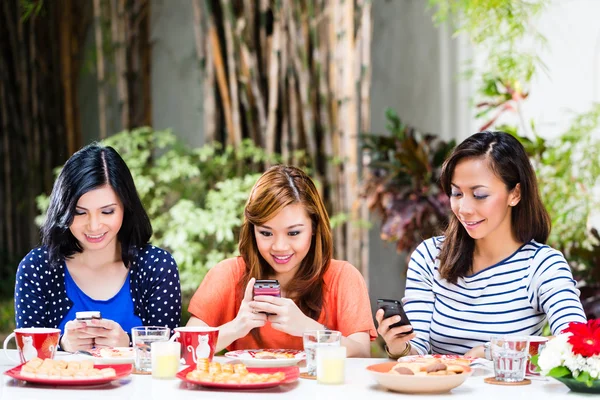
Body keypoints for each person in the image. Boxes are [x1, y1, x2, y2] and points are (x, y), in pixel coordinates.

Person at [376, 131, 587, 358]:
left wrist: (494, 351)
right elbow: (417, 353)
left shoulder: (542, 265)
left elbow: (576, 340)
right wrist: (400, 346)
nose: (464, 208)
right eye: (457, 193)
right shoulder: (429, 256)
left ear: (515, 194)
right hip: (440, 391)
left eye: (479, 195)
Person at [187, 165, 376, 357]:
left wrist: (310, 331)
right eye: (266, 233)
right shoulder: (228, 274)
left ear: (314, 227)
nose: (280, 246)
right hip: (248, 386)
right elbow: (186, 349)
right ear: (252, 230)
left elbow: (361, 354)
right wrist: (236, 327)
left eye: (293, 232)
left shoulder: (342, 277)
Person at [14, 143, 182, 352]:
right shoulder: (37, 268)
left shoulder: (157, 266)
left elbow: (171, 353)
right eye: (80, 212)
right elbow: (29, 356)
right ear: (63, 210)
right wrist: (61, 344)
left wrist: (128, 344)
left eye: (107, 212)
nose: (94, 226)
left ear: (126, 208)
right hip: (61, 386)